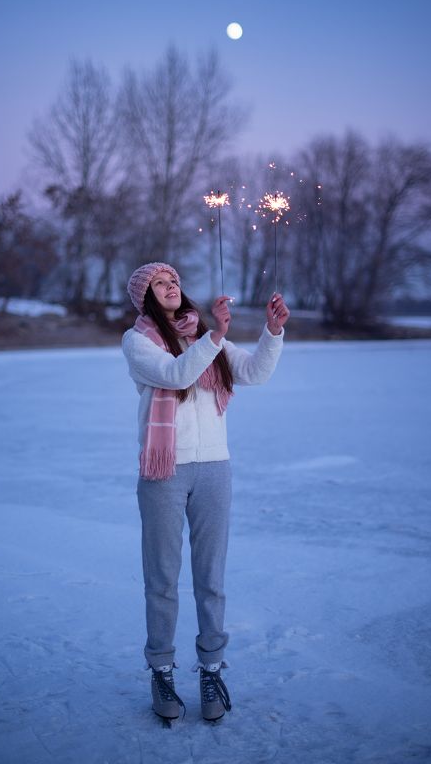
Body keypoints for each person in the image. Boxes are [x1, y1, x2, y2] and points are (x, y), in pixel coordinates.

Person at [122, 262, 289, 722]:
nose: (170, 285)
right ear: (146, 296)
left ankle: (212, 670)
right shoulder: (138, 342)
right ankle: (162, 672)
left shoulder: (204, 339)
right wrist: (214, 338)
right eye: (159, 282)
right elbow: (176, 376)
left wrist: (272, 332)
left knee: (211, 580)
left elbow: (254, 373)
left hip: (215, 467)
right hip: (165, 471)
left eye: (173, 279)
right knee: (162, 580)